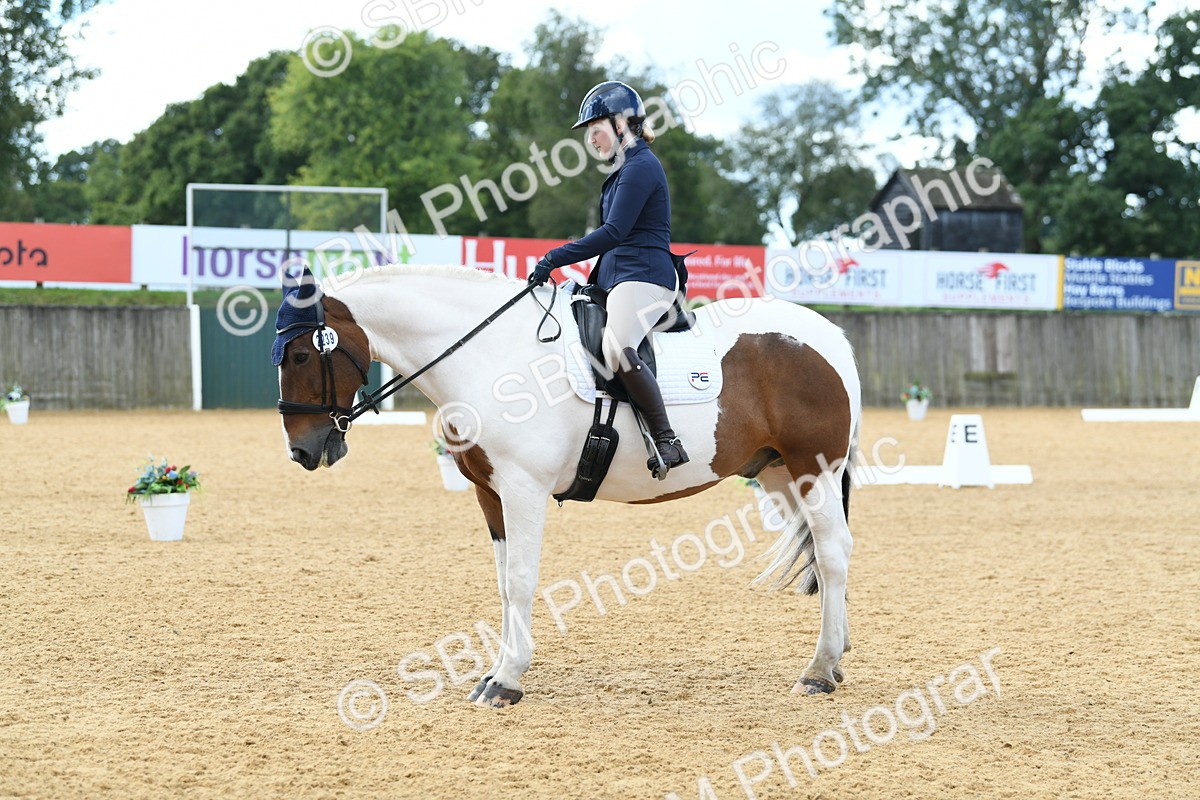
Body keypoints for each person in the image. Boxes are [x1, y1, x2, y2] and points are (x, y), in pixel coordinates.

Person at [528, 80, 688, 474]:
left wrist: (554, 257)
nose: (591, 140)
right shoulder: (624, 169)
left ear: (620, 124)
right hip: (618, 276)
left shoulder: (641, 166)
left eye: (594, 130)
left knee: (617, 346)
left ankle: (667, 440)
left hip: (646, 277)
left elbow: (614, 233)